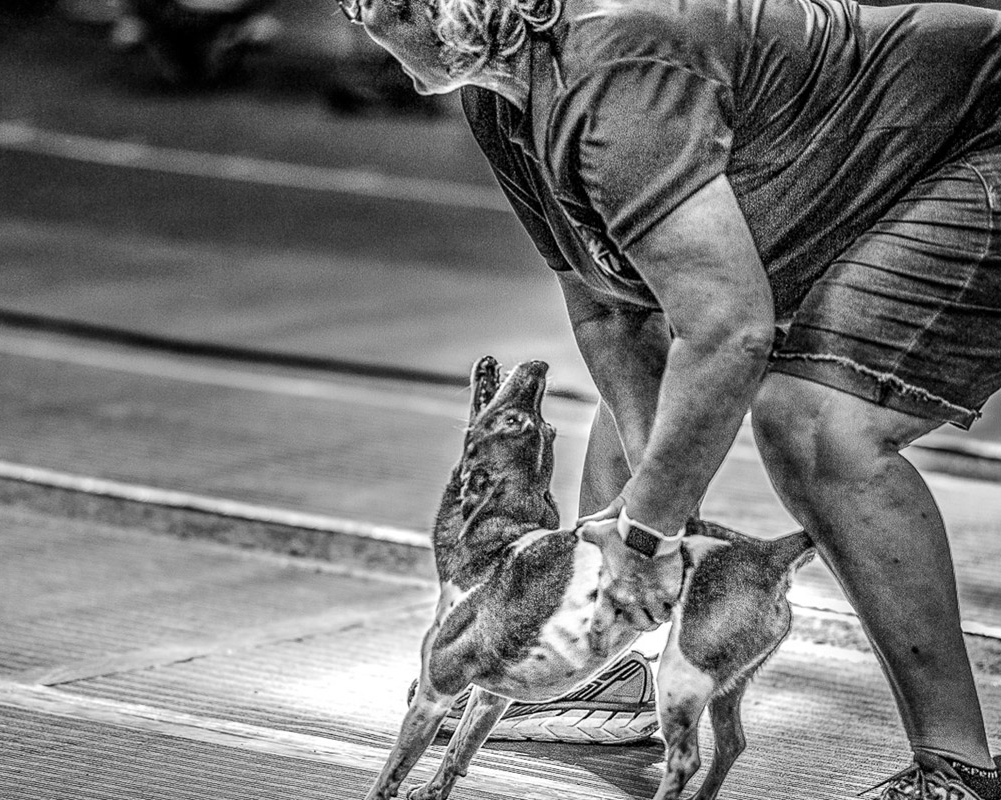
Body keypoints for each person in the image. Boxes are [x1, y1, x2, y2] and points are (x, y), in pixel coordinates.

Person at [334, 0, 1001, 795]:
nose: (355, 23)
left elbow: (729, 332)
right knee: (646, 417)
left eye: (363, 8)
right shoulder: (502, 92)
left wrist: (646, 535)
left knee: (821, 425)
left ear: (436, 12)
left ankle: (954, 769)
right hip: (896, 162)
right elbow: (610, 307)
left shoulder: (614, 73)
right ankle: (610, 663)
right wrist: (654, 510)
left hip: (980, 139)